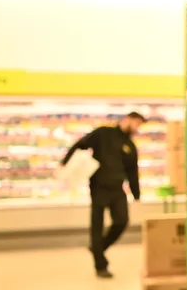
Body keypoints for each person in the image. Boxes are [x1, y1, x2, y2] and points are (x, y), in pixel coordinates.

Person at [61, 111, 146, 278]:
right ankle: (101, 265)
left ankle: (97, 248)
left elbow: (132, 173)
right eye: (137, 123)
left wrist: (137, 196)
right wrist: (64, 163)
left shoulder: (130, 146)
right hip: (98, 187)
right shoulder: (103, 133)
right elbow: (80, 144)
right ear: (128, 119)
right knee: (97, 227)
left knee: (122, 221)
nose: (137, 128)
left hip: (117, 189)